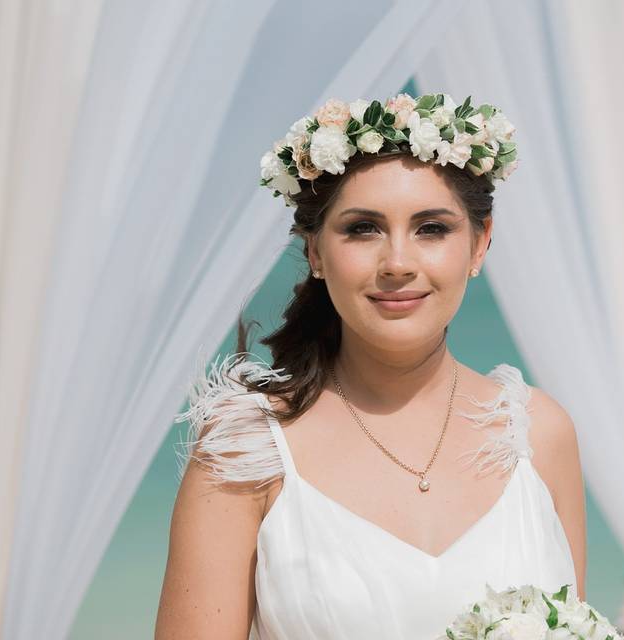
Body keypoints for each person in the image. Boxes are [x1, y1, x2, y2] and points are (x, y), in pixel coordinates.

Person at [155, 93, 586, 639]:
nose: (398, 264)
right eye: (363, 228)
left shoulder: (540, 436)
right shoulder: (245, 450)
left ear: (480, 243)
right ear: (314, 251)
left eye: (432, 228)